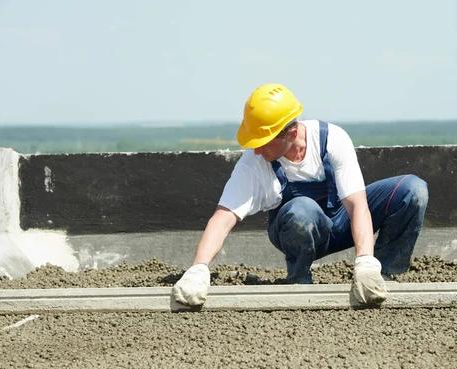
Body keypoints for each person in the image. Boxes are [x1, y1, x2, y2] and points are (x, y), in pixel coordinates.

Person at [172, 83, 428, 306]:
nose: (257, 150)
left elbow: (358, 206)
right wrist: (199, 268)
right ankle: (299, 282)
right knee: (301, 209)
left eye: (263, 142)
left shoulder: (332, 140)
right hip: (296, 229)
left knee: (412, 190)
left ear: (291, 133)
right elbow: (223, 217)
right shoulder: (253, 164)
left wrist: (365, 261)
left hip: (341, 223)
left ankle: (380, 278)